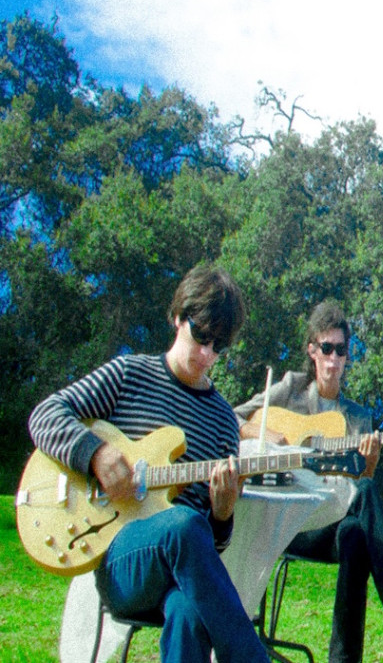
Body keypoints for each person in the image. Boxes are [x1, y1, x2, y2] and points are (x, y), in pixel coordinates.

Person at [27, 265, 270, 663]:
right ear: (178, 317)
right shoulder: (128, 375)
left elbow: (209, 550)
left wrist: (223, 514)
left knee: (190, 610)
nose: (207, 354)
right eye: (201, 336)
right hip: (121, 561)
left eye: (219, 346)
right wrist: (96, 454)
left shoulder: (224, 420)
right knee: (184, 525)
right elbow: (45, 415)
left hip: (180, 573)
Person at [233, 299, 383, 663]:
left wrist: (370, 465)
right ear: (312, 351)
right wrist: (267, 434)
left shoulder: (358, 418)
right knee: (359, 510)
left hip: (330, 522)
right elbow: (232, 416)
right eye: (326, 348)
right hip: (289, 522)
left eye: (341, 350)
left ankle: (351, 656)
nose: (334, 358)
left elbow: (359, 491)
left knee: (354, 532)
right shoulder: (290, 388)